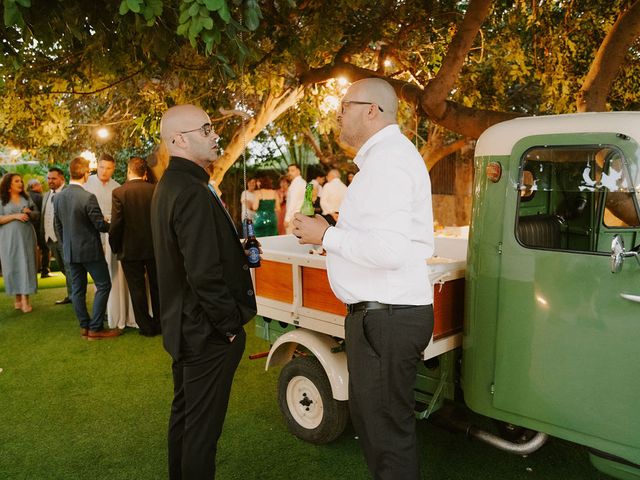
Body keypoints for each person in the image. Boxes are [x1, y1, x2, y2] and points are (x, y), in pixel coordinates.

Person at [292, 78, 435, 480]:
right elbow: (379, 236)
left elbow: (388, 251)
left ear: (372, 109)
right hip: (387, 314)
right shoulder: (386, 158)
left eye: (345, 105)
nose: (338, 113)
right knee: (382, 431)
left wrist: (326, 235)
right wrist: (332, 230)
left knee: (386, 437)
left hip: (385, 317)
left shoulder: (387, 161)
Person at [150, 104, 257, 480]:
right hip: (206, 333)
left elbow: (194, 255)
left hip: (186, 327)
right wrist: (229, 326)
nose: (216, 135)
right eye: (206, 129)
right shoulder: (191, 190)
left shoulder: (174, 184)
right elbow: (202, 274)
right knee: (201, 434)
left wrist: (234, 252)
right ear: (178, 140)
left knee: (186, 420)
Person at [53, 157, 119, 340]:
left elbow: (58, 226)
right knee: (104, 285)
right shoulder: (88, 197)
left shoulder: (58, 197)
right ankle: (95, 328)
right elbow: (99, 225)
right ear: (85, 173)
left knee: (77, 290)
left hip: (70, 251)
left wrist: (66, 244)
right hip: (90, 250)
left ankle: (84, 326)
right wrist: (113, 223)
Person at [109, 157, 161, 337]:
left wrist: (115, 246)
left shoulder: (119, 192)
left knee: (137, 289)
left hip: (129, 249)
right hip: (155, 248)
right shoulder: (156, 190)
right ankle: (161, 323)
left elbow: (116, 225)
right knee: (157, 287)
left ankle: (146, 327)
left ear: (129, 171)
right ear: (145, 173)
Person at [85, 153, 135, 330]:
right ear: (96, 166)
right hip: (91, 236)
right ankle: (98, 311)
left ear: (114, 168)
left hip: (111, 236)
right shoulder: (86, 184)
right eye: (101, 167)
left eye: (108, 168)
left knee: (111, 273)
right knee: (98, 276)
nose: (104, 171)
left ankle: (111, 309)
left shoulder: (117, 187)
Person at [0, 173, 38, 313]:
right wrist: (15, 215)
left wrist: (29, 212)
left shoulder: (26, 198)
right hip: (8, 239)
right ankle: (17, 298)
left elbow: (36, 215)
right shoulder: (2, 200)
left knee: (26, 264)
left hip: (26, 236)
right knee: (12, 265)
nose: (21, 183)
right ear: (8, 185)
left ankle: (25, 299)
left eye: (21, 181)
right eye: (17, 181)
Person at [41, 167, 73, 304]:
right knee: (62, 267)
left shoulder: (68, 193)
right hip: (50, 239)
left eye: (53, 178)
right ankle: (71, 294)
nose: (50, 181)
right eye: (48, 178)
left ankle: (74, 296)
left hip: (65, 239)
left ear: (62, 179)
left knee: (69, 268)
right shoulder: (46, 195)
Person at [27, 178, 50, 278]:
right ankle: (45, 270)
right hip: (39, 227)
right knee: (45, 249)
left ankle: (30, 272)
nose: (41, 186)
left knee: (30, 250)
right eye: (39, 185)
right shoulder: (40, 197)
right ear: (34, 186)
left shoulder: (25, 197)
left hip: (28, 227)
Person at [283, 163, 306, 234]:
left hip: (294, 216)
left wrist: (287, 219)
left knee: (291, 240)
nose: (289, 173)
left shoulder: (296, 184)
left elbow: (293, 202)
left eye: (292, 170)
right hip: (302, 215)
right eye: (289, 171)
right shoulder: (303, 182)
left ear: (298, 171)